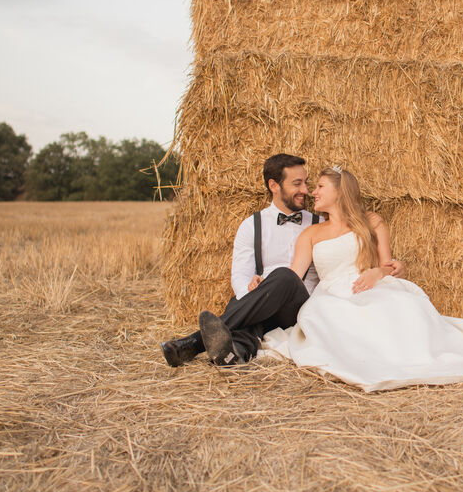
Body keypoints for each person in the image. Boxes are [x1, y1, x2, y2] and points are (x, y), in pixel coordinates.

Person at [258, 165, 463, 392]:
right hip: (332, 295)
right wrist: (265, 284)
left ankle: (418, 355)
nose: (313, 192)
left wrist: (378, 271)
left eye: (320, 186)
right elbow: (292, 278)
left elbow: (390, 265)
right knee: (332, 316)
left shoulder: (372, 222)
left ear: (339, 191)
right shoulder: (310, 234)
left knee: (401, 305)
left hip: (370, 284)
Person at [160, 154, 406, 367]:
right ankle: (231, 355)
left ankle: (194, 341)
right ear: (274, 185)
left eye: (310, 183)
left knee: (278, 283)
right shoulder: (251, 226)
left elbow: (297, 275)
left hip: (304, 305)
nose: (308, 191)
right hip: (266, 300)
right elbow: (242, 275)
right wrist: (256, 288)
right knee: (248, 310)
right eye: (298, 184)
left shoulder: (321, 223)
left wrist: (385, 270)